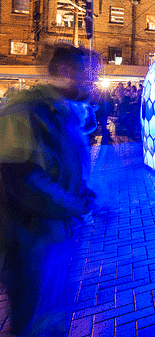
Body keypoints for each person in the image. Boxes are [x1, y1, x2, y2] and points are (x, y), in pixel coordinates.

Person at [0, 43, 100, 336]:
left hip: (53, 234)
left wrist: (82, 192)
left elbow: (59, 165)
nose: (91, 82)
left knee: (47, 313)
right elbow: (22, 179)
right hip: (29, 241)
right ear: (66, 72)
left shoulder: (63, 110)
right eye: (87, 74)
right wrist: (74, 204)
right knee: (31, 318)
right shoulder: (28, 110)